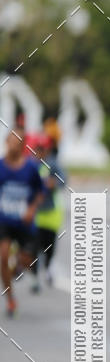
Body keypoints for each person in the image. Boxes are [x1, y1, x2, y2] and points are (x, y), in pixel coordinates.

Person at [0, 127, 45, 316]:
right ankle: (10, 300)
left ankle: (19, 263)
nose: (14, 145)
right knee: (2, 257)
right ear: (6, 142)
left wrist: (32, 209)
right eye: (12, 141)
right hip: (4, 221)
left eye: (19, 142)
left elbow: (41, 192)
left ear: (23, 145)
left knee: (27, 260)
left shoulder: (31, 168)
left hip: (25, 222)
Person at [26, 131, 66, 291]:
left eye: (43, 149)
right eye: (37, 148)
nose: (40, 152)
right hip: (33, 214)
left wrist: (53, 183)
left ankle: (49, 267)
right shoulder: (29, 164)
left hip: (50, 213)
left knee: (49, 245)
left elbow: (63, 180)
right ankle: (34, 276)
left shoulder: (53, 164)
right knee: (32, 247)